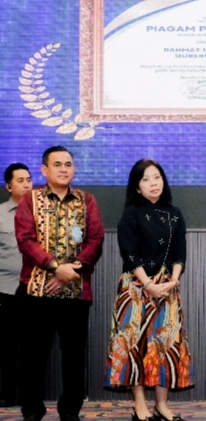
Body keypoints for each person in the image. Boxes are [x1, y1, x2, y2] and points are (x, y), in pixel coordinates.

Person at [14, 146, 105, 421]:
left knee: (74, 358)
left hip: (76, 292)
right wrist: (56, 268)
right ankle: (32, 410)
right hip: (36, 291)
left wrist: (71, 270)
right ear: (45, 170)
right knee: (32, 356)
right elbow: (25, 240)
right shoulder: (30, 200)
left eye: (68, 164)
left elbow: (95, 239)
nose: (64, 169)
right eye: (57, 164)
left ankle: (70, 411)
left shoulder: (87, 201)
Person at [105, 159, 193, 421]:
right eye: (146, 179)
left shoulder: (174, 213)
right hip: (136, 287)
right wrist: (148, 285)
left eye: (157, 177)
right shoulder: (131, 214)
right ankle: (140, 405)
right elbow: (129, 254)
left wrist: (173, 280)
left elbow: (179, 253)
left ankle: (162, 405)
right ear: (137, 186)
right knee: (134, 345)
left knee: (165, 345)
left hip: (166, 287)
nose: (153, 183)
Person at [0, 163, 32, 407]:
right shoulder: (0, 214)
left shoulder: (41, 212)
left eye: (29, 180)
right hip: (6, 289)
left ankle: (29, 396)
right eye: (20, 181)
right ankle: (7, 394)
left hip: (36, 288)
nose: (26, 185)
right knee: (7, 345)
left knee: (33, 346)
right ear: (9, 186)